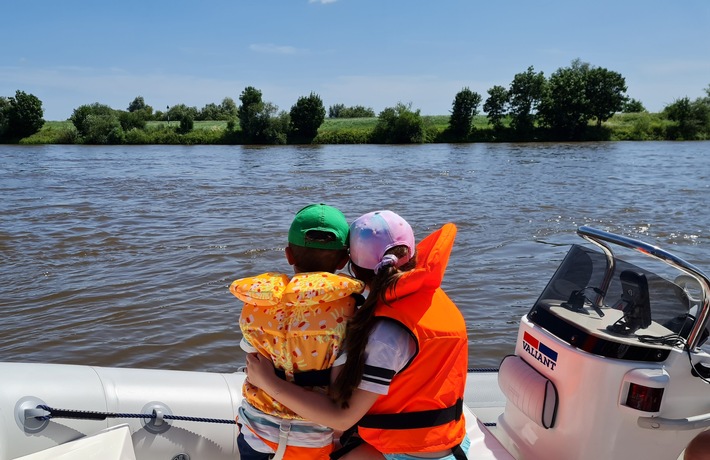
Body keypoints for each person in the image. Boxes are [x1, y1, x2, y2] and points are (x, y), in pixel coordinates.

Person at [247, 210, 470, 460]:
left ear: (351, 267)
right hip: (445, 442)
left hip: (408, 455)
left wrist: (268, 382)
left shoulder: (386, 332)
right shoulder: (431, 298)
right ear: (412, 255)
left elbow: (342, 417)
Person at [230, 203, 365, 460]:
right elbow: (340, 396)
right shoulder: (350, 314)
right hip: (311, 440)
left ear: (289, 255)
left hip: (256, 435)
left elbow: (253, 360)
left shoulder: (259, 304)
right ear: (344, 260)